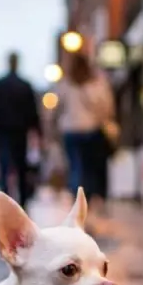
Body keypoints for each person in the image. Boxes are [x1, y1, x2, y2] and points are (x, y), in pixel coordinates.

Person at [57, 52, 115, 212]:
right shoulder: (97, 84)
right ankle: (87, 197)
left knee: (76, 165)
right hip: (91, 129)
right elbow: (107, 107)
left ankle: (78, 197)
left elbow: (56, 107)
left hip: (70, 130)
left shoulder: (66, 84)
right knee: (91, 167)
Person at [0, 52, 41, 209]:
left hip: (3, 130)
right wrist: (37, 131)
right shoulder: (25, 85)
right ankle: (22, 202)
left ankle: (5, 200)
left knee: (4, 165)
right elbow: (33, 111)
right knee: (21, 166)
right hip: (20, 131)